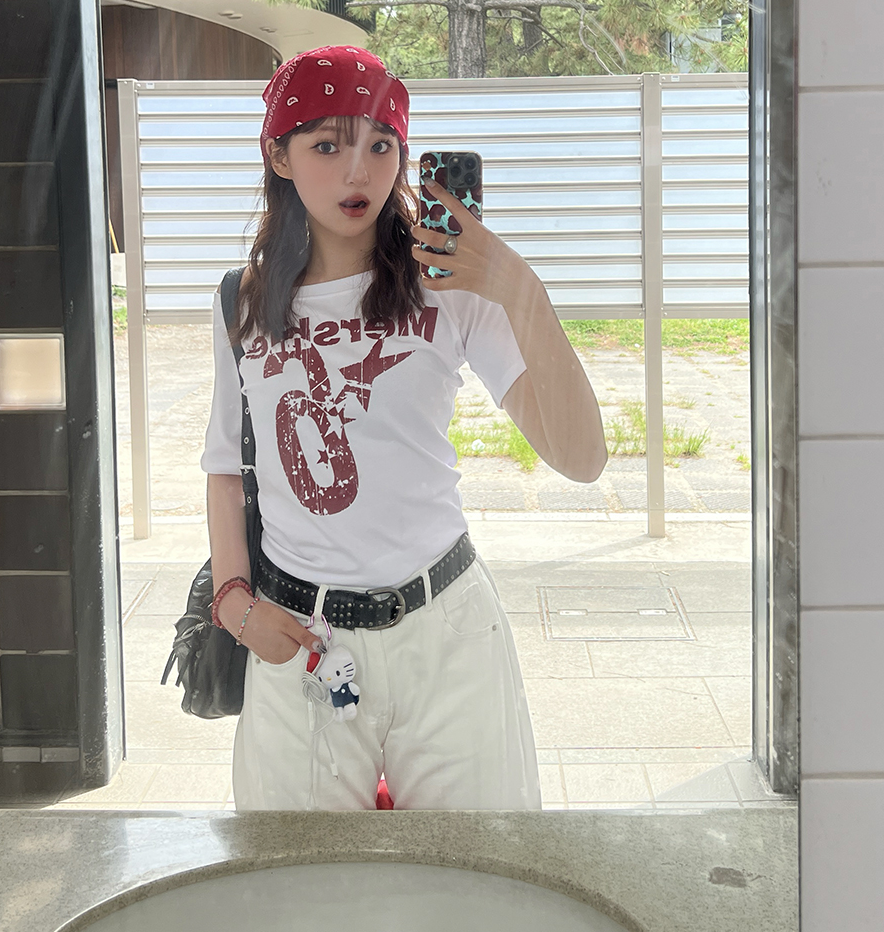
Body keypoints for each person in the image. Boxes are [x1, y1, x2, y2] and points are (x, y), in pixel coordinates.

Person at [201, 45, 606, 811]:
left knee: (476, 868)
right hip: (303, 639)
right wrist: (234, 606)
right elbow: (227, 467)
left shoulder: (449, 288)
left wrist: (519, 288)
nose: (359, 172)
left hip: (447, 632)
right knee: (303, 875)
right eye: (328, 146)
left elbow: (582, 458)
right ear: (280, 156)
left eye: (381, 146)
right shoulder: (243, 301)